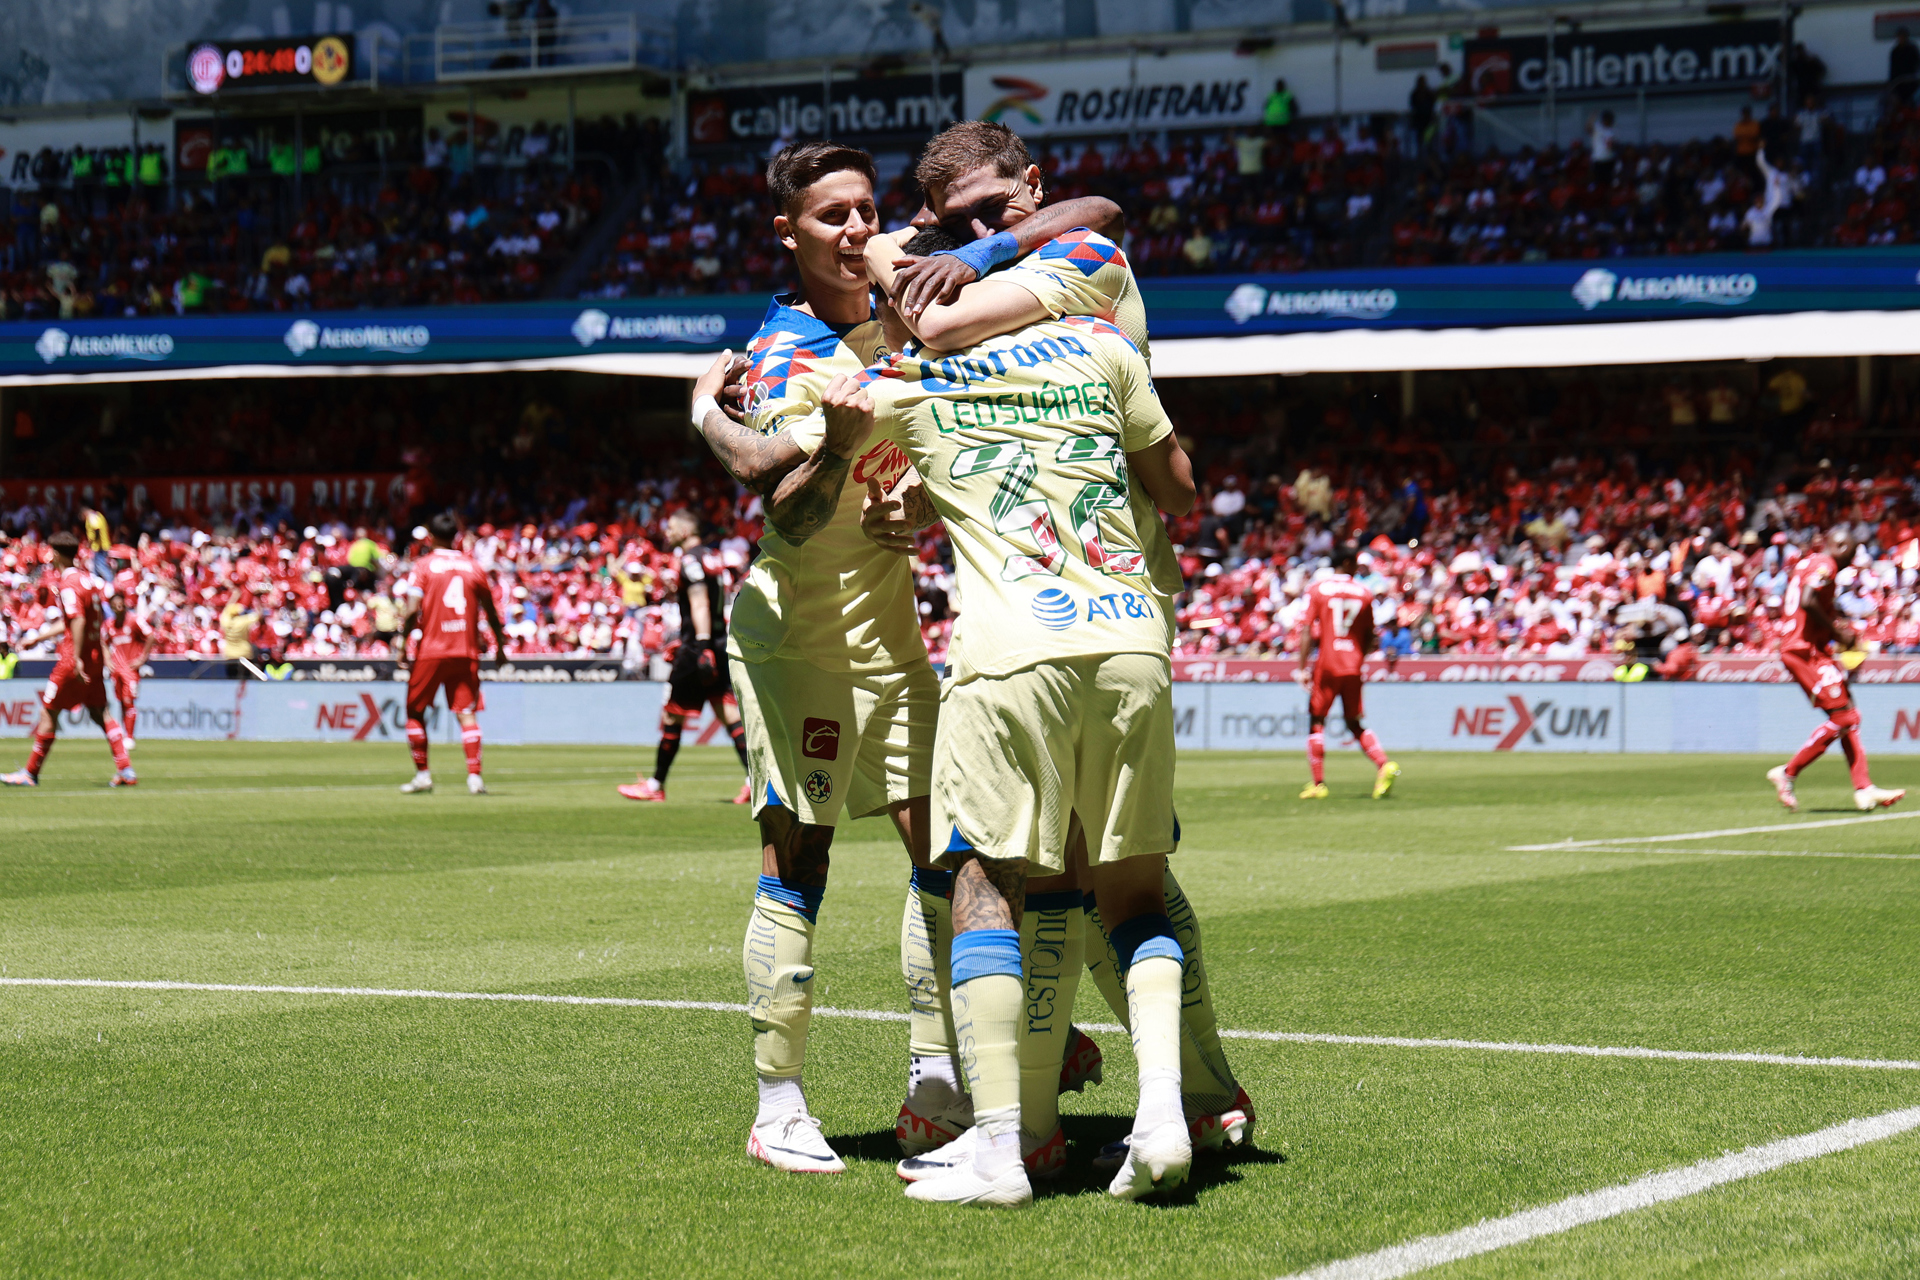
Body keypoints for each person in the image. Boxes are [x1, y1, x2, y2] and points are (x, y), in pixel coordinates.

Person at [687, 139, 1127, 1176]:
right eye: (831, 214)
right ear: (786, 233)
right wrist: (748, 420)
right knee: (801, 860)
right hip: (796, 634)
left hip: (890, 633)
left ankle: (936, 1080)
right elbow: (782, 513)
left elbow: (1094, 206)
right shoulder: (785, 352)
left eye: (864, 209)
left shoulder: (906, 275)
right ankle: (778, 1102)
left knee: (954, 854)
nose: (854, 230)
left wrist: (982, 256)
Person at [869, 119, 1252, 1164]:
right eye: (962, 219)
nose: (985, 228)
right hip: (1076, 592)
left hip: (1090, 594)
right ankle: (1154, 1101)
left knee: (1046, 870)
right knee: (1084, 871)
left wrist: (954, 251)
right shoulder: (1024, 269)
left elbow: (1090, 226)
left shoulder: (1078, 258)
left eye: (999, 205)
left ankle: (1031, 1118)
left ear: (1033, 183)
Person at [784, 249, 1200, 1205]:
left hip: (1013, 656)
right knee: (1132, 894)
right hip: (1135, 641)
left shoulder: (901, 378)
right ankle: (1164, 1121)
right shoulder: (1098, 347)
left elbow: (787, 485)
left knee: (981, 880)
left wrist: (708, 407)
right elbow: (1176, 487)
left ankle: (1001, 1148)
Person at [617, 507, 752, 803]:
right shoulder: (712, 556)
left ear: (683, 531)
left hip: (697, 645)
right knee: (727, 711)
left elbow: (701, 603)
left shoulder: (690, 559)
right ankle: (753, 780)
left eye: (670, 527)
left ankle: (655, 785)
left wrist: (701, 647)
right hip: (719, 640)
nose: (666, 532)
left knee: (672, 714)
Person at [1767, 528, 1905, 812]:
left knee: (1850, 715)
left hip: (1814, 649)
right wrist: (1838, 634)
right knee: (1844, 717)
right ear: (1841, 547)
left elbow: (1811, 604)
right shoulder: (1825, 564)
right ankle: (1788, 773)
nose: (1851, 559)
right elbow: (1807, 600)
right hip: (1802, 651)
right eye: (1851, 552)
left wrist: (1835, 625)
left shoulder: (1809, 562)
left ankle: (1864, 788)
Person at [2, 531, 136, 788]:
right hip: (94, 654)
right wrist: (39, 637)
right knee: (101, 712)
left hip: (75, 658)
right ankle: (126, 770)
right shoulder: (87, 580)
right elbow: (75, 620)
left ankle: (30, 773)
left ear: (54, 553)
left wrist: (74, 658)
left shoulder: (67, 583)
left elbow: (77, 620)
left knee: (48, 711)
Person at [396, 512, 505, 796]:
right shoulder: (473, 566)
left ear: (430, 536)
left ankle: (423, 775)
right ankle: (475, 778)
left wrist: (402, 642)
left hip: (432, 649)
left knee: (414, 711)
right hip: (465, 650)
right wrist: (501, 647)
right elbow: (491, 611)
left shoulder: (423, 565)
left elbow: (411, 610)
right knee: (466, 714)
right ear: (456, 536)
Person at [1298, 543, 1399, 800]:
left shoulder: (1319, 589)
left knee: (1316, 720)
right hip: (1353, 665)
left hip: (1328, 663)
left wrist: (1302, 667)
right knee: (1354, 722)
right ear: (1346, 564)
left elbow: (1308, 628)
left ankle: (1318, 784)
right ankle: (1384, 764)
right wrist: (1358, 658)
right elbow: (1370, 636)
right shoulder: (1364, 593)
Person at [103, 575, 154, 749]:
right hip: (116, 669)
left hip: (131, 668)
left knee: (128, 700)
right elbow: (103, 642)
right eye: (115, 605)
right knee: (120, 701)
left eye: (121, 604)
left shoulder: (134, 620)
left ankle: (130, 736)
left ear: (125, 604)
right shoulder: (109, 625)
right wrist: (107, 659)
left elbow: (151, 635)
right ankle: (126, 734)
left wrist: (142, 658)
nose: (118, 607)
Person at [1892, 27, 1919, 105]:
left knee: (1912, 102)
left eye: (1903, 36)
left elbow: (1917, 63)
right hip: (1899, 83)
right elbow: (1893, 69)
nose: (1901, 39)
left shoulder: (1912, 49)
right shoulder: (1895, 51)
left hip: (1911, 82)